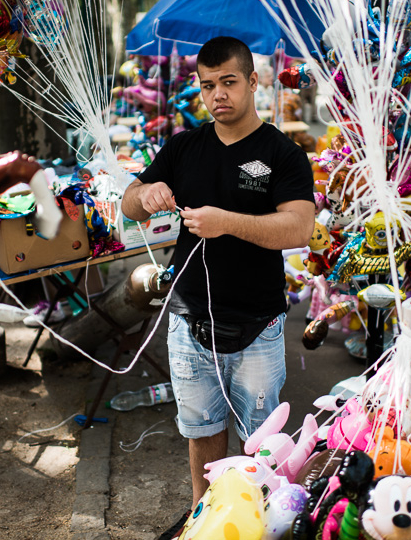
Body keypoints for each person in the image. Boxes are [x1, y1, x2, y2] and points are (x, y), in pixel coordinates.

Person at [121, 37, 314, 525]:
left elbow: (299, 228)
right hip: (189, 322)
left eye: (229, 82)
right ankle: (204, 517)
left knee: (260, 442)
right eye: (208, 86)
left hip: (257, 324)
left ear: (253, 81)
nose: (217, 95)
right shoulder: (185, 146)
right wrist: (145, 194)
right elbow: (127, 200)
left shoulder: (283, 153)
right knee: (201, 431)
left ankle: (257, 523)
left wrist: (228, 221)